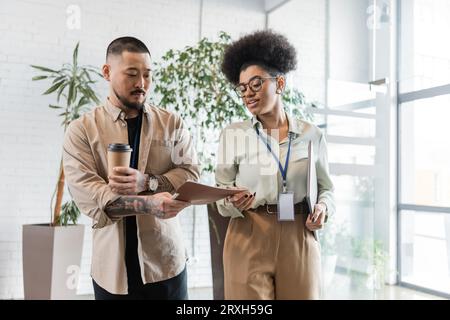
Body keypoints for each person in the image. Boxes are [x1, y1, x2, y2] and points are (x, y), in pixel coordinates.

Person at [63, 37, 200, 300]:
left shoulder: (172, 123)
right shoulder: (81, 130)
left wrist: (148, 183)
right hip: (112, 273)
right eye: (132, 74)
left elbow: (191, 172)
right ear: (107, 72)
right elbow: (90, 196)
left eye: (148, 75)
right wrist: (148, 205)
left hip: (166, 266)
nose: (142, 84)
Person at [215, 30, 335, 300]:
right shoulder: (233, 134)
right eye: (243, 88)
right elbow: (220, 192)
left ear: (279, 83)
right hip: (248, 232)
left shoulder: (312, 134)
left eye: (256, 84)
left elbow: (327, 188)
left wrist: (324, 207)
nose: (248, 94)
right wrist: (231, 201)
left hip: (299, 233)